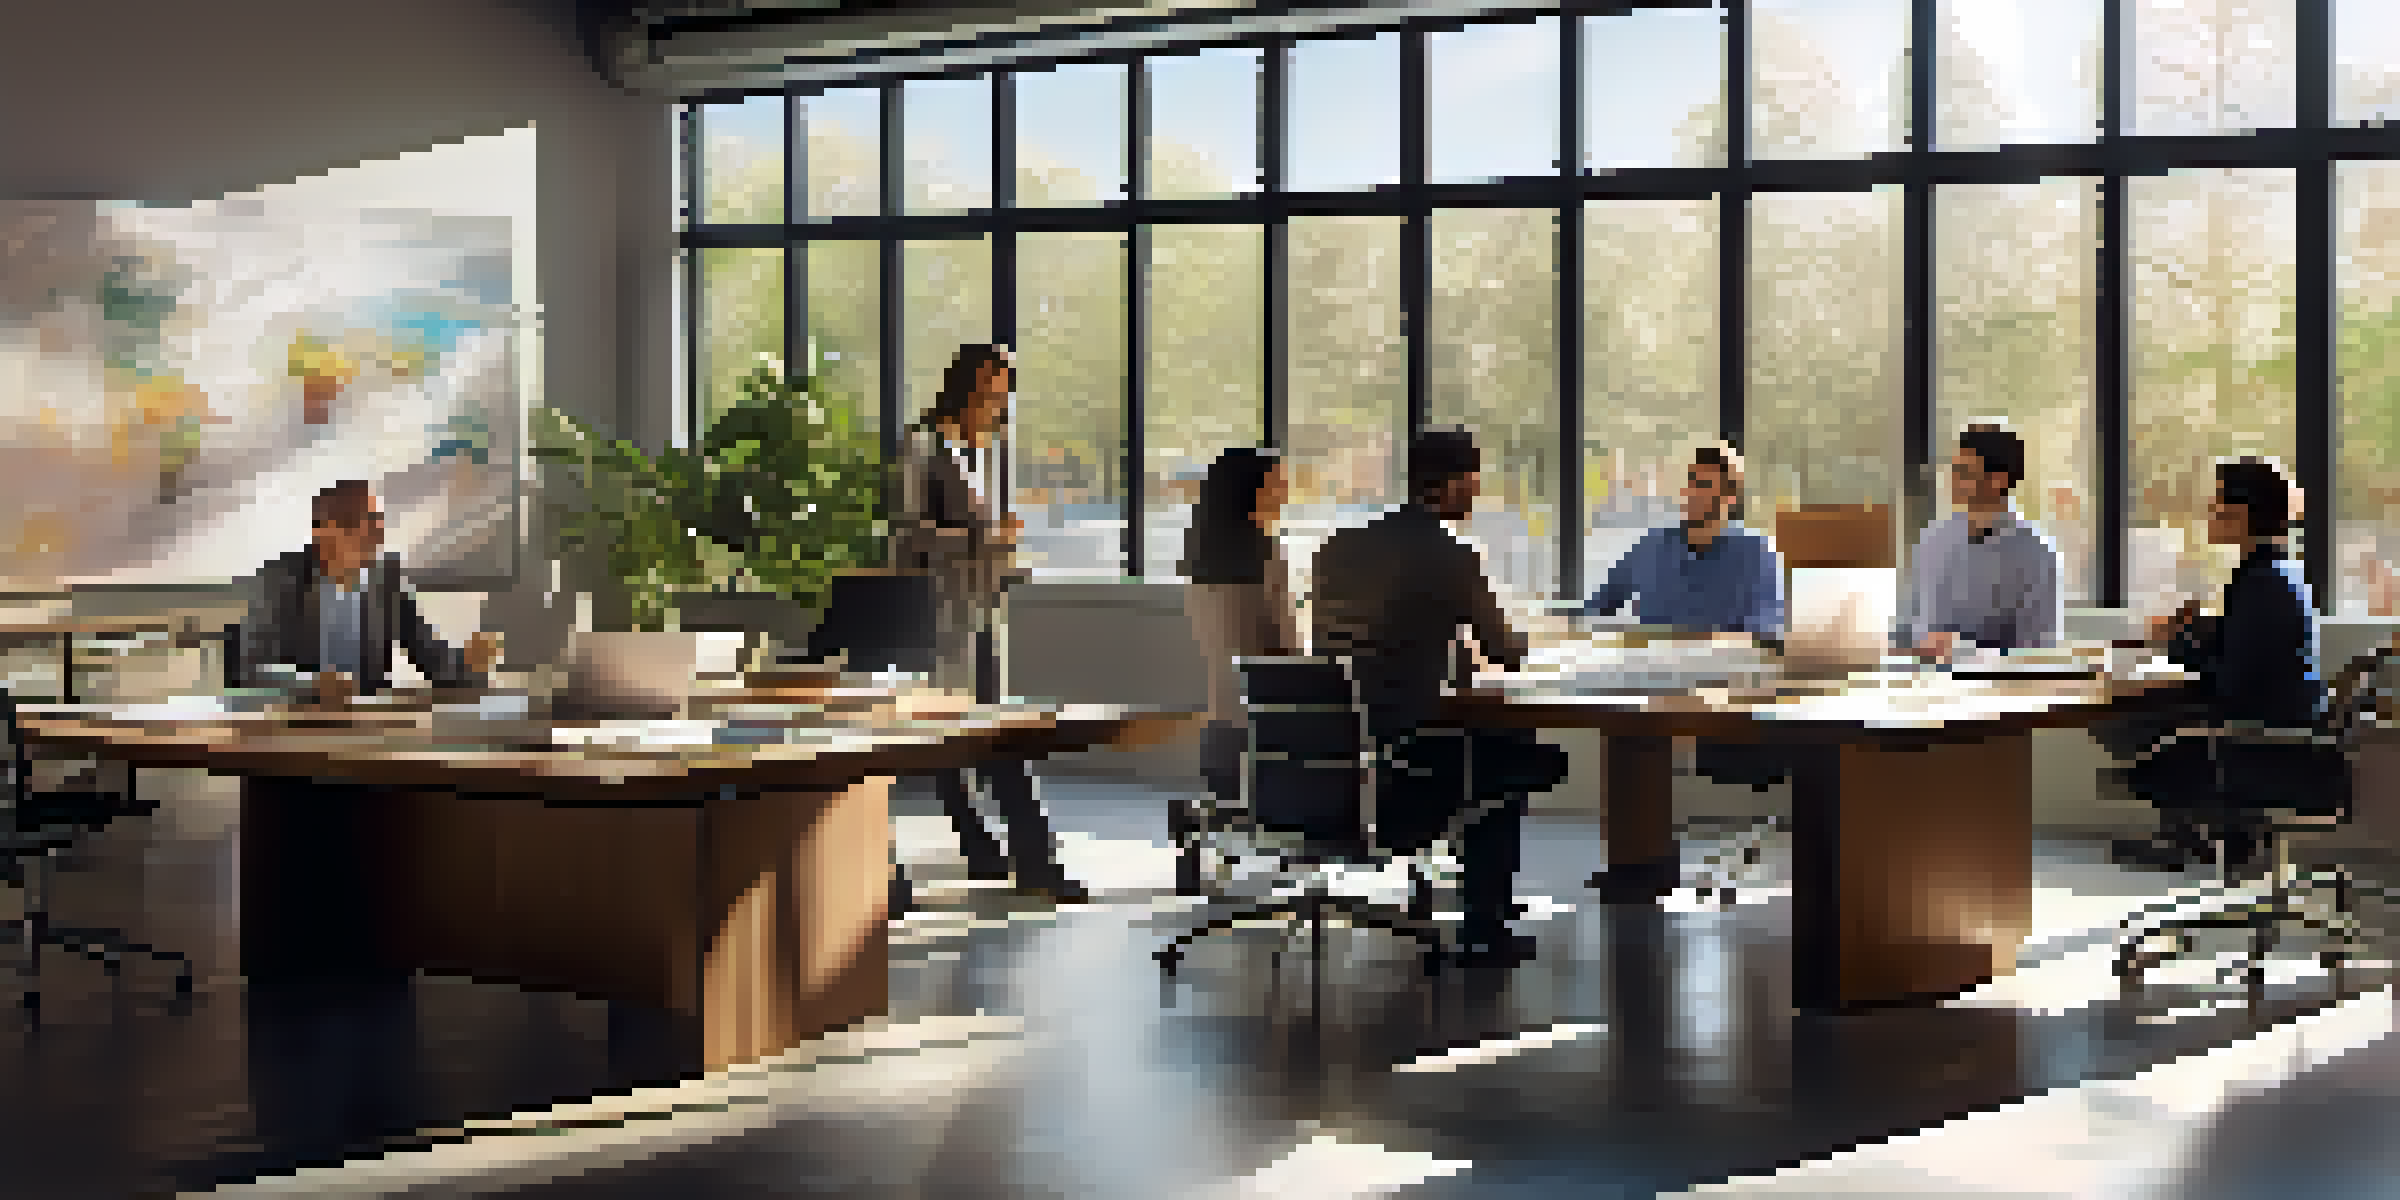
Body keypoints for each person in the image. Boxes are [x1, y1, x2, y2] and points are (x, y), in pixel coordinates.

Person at [1310, 428, 1566, 966]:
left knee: (1499, 747)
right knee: (1514, 754)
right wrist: (1533, 637)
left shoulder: (1337, 548)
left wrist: (1453, 645)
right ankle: (1484, 927)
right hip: (1406, 769)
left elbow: (1378, 640)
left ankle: (1485, 904)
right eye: (1474, 483)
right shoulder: (1452, 551)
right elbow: (1506, 651)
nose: (1475, 495)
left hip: (1332, 763)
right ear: (1455, 484)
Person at [890, 343, 1086, 903]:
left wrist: (1002, 549)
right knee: (990, 737)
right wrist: (984, 538)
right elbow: (908, 534)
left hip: (982, 607)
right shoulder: (923, 445)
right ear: (965, 386)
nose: (997, 401)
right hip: (935, 615)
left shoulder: (985, 452)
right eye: (989, 388)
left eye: (1004, 390)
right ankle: (1034, 861)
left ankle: (981, 846)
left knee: (963, 736)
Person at [2107, 458, 2325, 873]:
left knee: (2125, 722)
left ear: (2242, 514)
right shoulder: (2275, 571)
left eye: (2217, 504)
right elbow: (2240, 652)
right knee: (2144, 721)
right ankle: (2193, 836)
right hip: (2283, 729)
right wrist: (2198, 631)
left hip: (2261, 740)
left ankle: (2187, 835)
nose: (2209, 512)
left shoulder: (2262, 582)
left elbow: (2227, 679)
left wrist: (2175, 642)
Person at [1581, 441, 1789, 791]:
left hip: (1720, 696)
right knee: (1628, 746)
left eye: (1705, 486)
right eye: (1691, 481)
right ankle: (1645, 841)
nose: (1693, 493)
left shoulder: (1757, 552)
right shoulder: (1652, 545)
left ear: (1730, 499)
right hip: (1649, 687)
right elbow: (1595, 607)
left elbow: (1766, 638)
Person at [239, 479, 501, 697]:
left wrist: (469, 663)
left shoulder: (386, 581)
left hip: (370, 726)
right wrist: (310, 684)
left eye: (377, 523)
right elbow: (245, 667)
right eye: (361, 524)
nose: (376, 536)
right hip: (293, 726)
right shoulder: (281, 579)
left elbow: (431, 657)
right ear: (323, 532)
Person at [1179, 447, 1301, 894]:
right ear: (1251, 490)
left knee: (1230, 807)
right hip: (1268, 725)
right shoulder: (1267, 553)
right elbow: (1288, 646)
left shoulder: (1196, 556)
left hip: (1219, 725)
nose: (1285, 490)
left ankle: (1205, 856)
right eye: (1277, 481)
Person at [1895, 425, 2063, 661]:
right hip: (1919, 683)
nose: (1952, 480)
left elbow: (2038, 653)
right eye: (1953, 470)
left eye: (1963, 472)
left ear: (1998, 480)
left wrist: (1963, 651)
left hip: (1994, 689)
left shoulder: (2037, 553)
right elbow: (1909, 626)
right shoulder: (1933, 538)